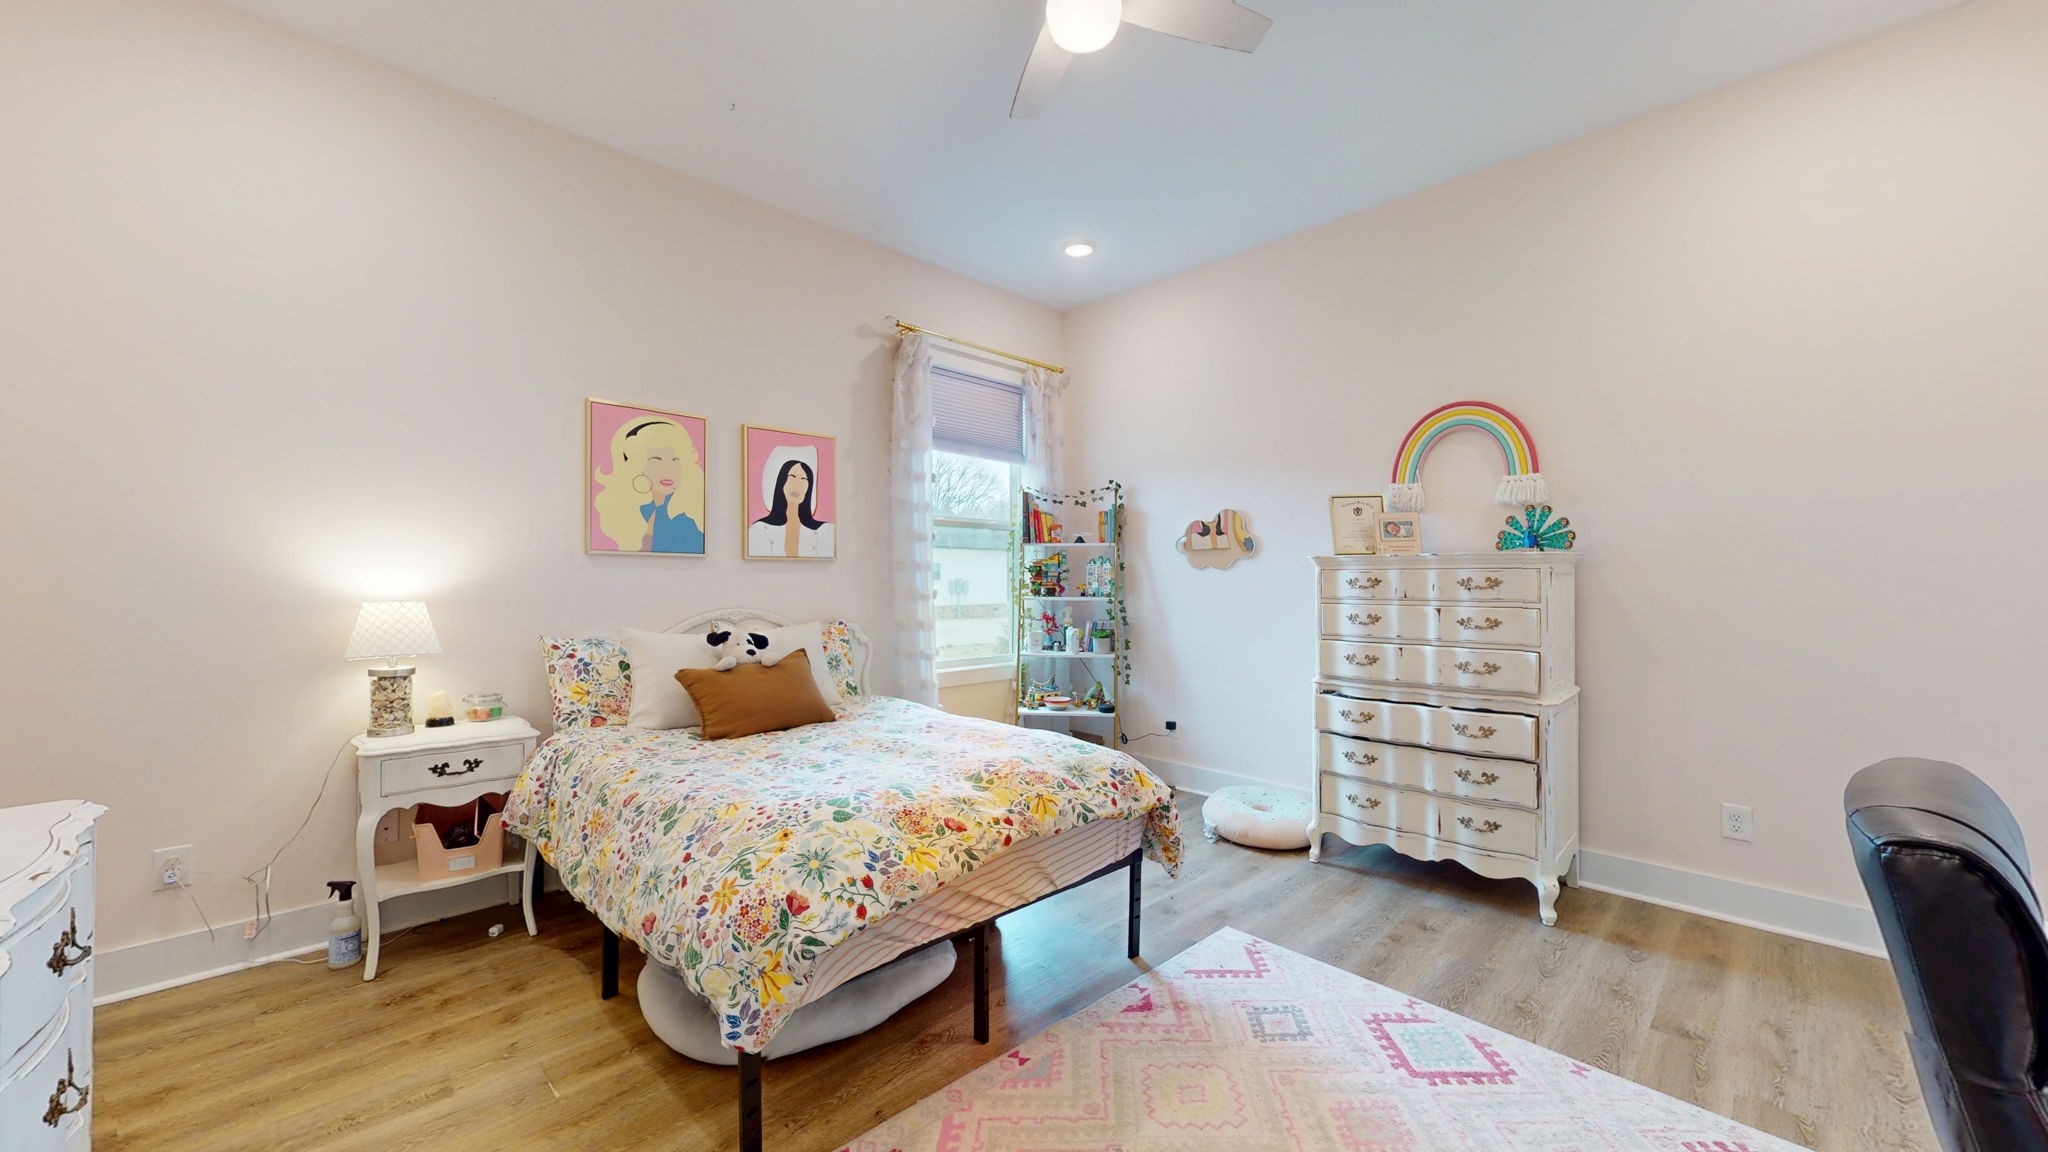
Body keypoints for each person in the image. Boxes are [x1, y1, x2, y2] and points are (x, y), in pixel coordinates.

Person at [592, 417, 705, 553]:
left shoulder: (686, 520)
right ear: (636, 465)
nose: (668, 469)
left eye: (675, 460)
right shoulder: (632, 511)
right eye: (656, 460)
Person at [747, 445, 834, 558]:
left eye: (803, 480)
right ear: (781, 482)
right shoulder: (760, 530)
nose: (797, 485)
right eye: (792, 477)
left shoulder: (825, 531)